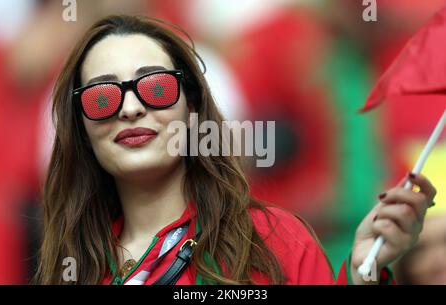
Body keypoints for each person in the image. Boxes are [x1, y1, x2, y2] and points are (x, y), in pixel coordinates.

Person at [33, 15, 437, 285]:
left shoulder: (274, 242)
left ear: (192, 109)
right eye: (102, 96)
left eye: (156, 87)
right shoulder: (70, 266)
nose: (131, 107)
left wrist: (362, 274)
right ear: (81, 128)